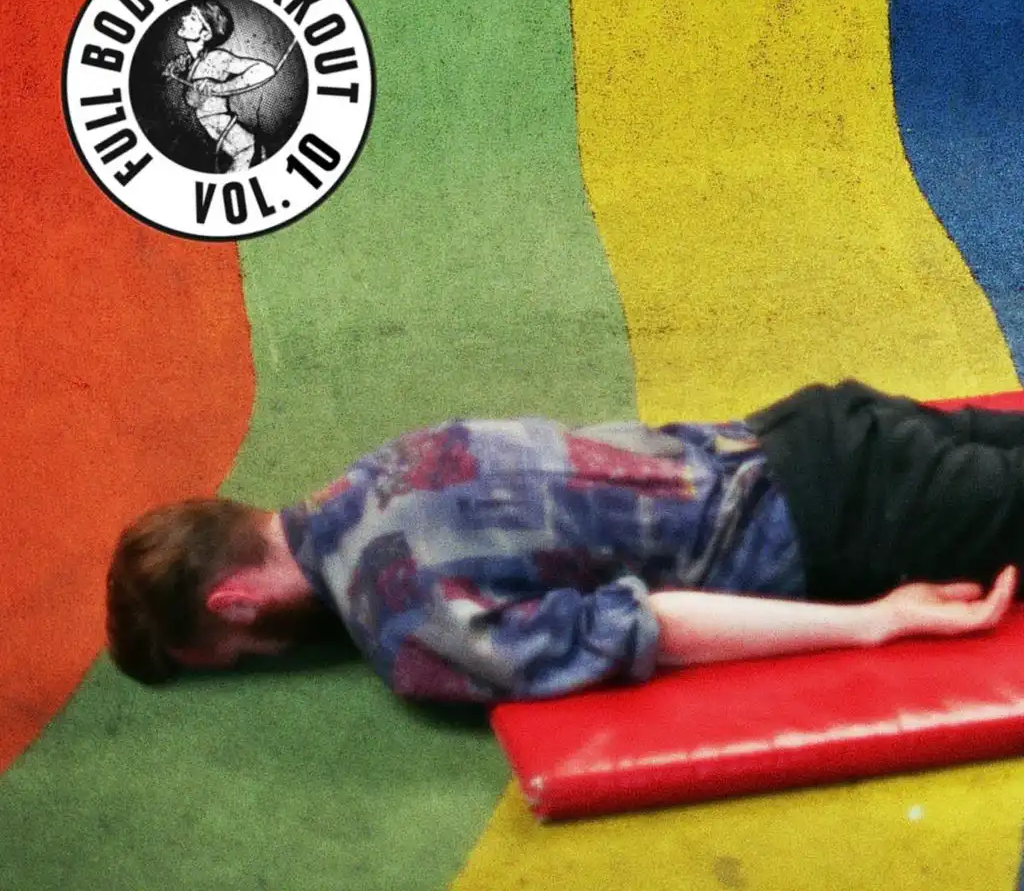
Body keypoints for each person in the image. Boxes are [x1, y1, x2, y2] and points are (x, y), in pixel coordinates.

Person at [107, 380, 1024, 703]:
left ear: (235, 604)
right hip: (824, 426)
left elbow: (653, 624)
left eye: (239, 652)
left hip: (853, 524)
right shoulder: (378, 467)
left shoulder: (406, 632)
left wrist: (872, 622)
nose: (263, 655)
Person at [163, 1, 276, 172]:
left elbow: (265, 70)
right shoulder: (190, 62)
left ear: (206, 34)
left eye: (193, 18)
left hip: (238, 140)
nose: (183, 18)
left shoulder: (217, 58)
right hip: (216, 136)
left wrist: (220, 88)